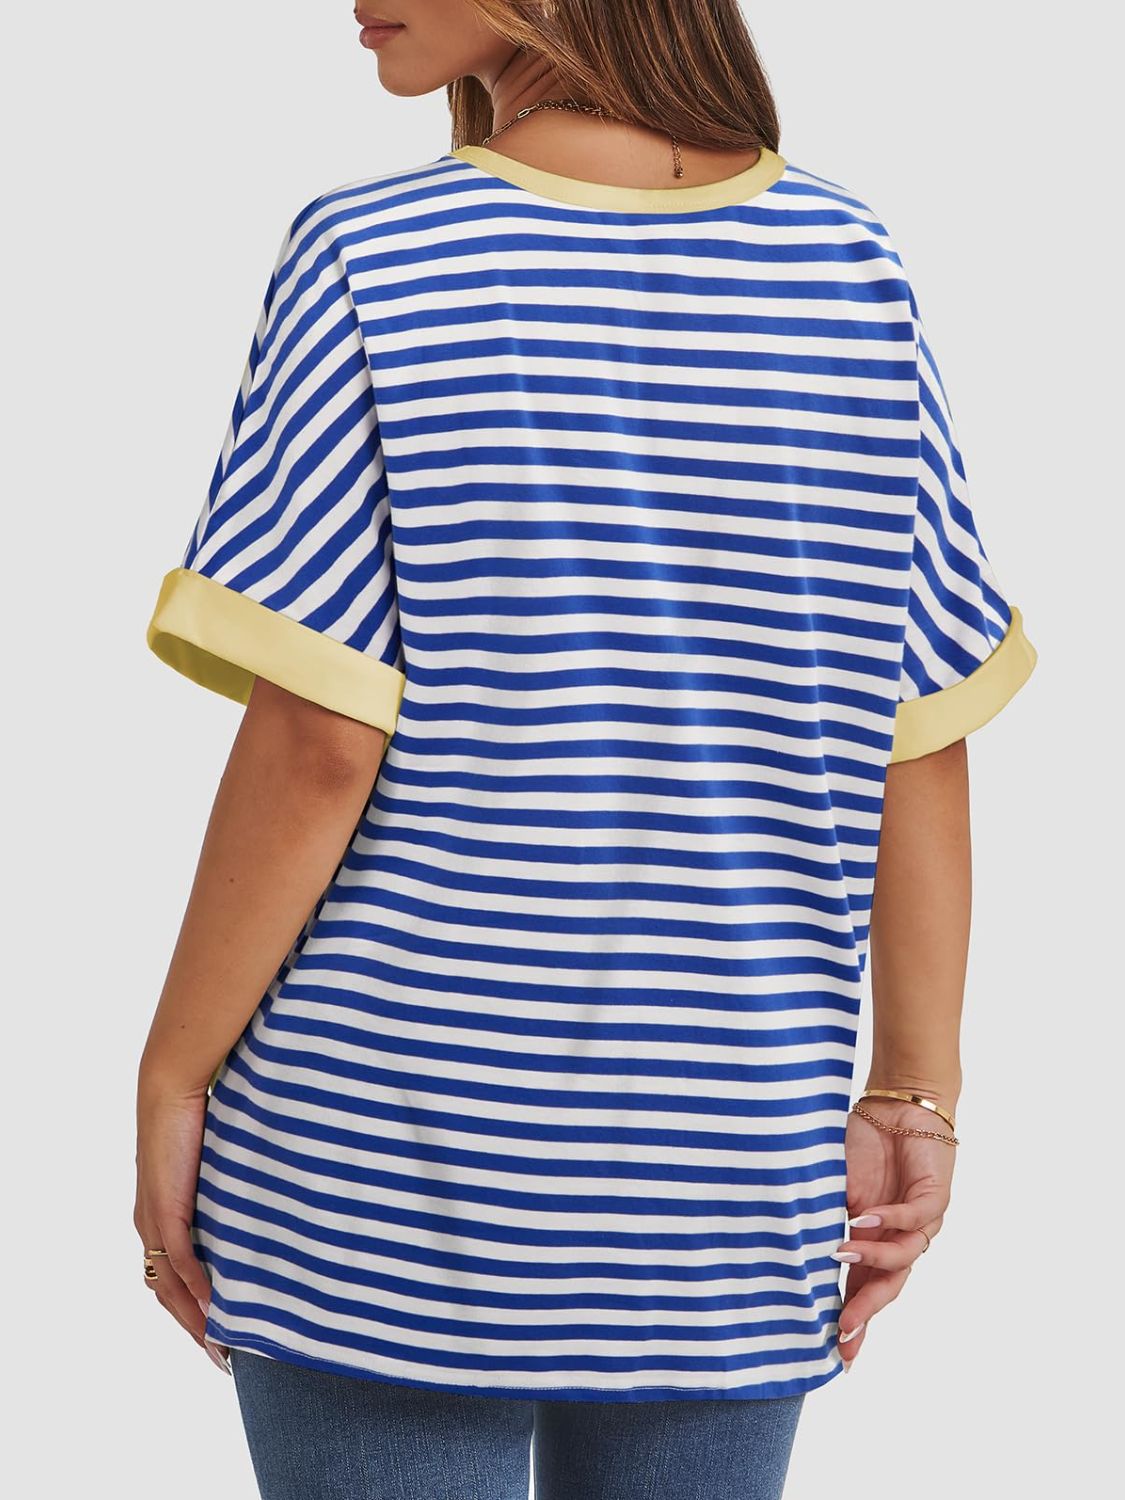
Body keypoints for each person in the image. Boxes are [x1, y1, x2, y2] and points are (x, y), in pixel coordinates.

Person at [134, 3, 1038, 1497]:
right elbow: (917, 726)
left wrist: (175, 1069)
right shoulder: (846, 262)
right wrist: (911, 1092)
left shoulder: (373, 257)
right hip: (726, 1172)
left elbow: (318, 743)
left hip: (381, 1162)